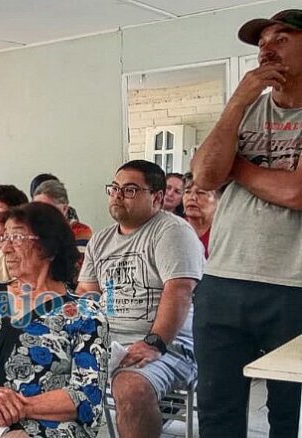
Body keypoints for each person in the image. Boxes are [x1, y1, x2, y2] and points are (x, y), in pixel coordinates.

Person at [190, 9, 302, 437]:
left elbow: (296, 193)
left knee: (289, 414)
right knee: (218, 412)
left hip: (292, 286)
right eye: (261, 44)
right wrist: (238, 100)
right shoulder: (246, 111)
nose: (267, 49)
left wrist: (234, 167)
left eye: (282, 38)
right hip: (222, 280)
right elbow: (203, 175)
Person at [0, 202, 109, 438]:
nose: (5, 248)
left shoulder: (84, 312)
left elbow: (87, 393)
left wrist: (15, 408)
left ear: (48, 246)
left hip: (43, 419)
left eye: (16, 237)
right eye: (5, 238)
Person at [76, 160, 203, 438]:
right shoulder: (101, 240)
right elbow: (87, 293)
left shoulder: (172, 232)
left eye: (131, 190)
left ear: (157, 198)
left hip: (167, 344)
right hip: (109, 343)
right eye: (114, 188)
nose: (118, 195)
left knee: (131, 388)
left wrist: (154, 342)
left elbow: (179, 290)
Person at [32, 179, 92, 253]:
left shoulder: (81, 231)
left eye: (48, 209)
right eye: (37, 210)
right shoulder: (31, 232)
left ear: (64, 209)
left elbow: (76, 262)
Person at [181, 173, 219, 258]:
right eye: (187, 192)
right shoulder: (174, 228)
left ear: (218, 201)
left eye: (201, 192)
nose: (192, 197)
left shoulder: (223, 233)